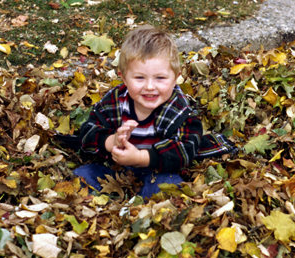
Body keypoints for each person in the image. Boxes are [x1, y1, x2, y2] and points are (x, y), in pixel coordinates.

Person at [76, 25, 236, 198]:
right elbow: (87, 132)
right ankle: (107, 204)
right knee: (82, 176)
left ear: (175, 78)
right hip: (115, 170)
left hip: (158, 171)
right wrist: (112, 141)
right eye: (139, 78)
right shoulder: (114, 102)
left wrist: (140, 158)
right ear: (123, 77)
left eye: (160, 78)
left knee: (168, 187)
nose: (150, 87)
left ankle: (144, 209)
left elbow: (185, 149)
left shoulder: (179, 110)